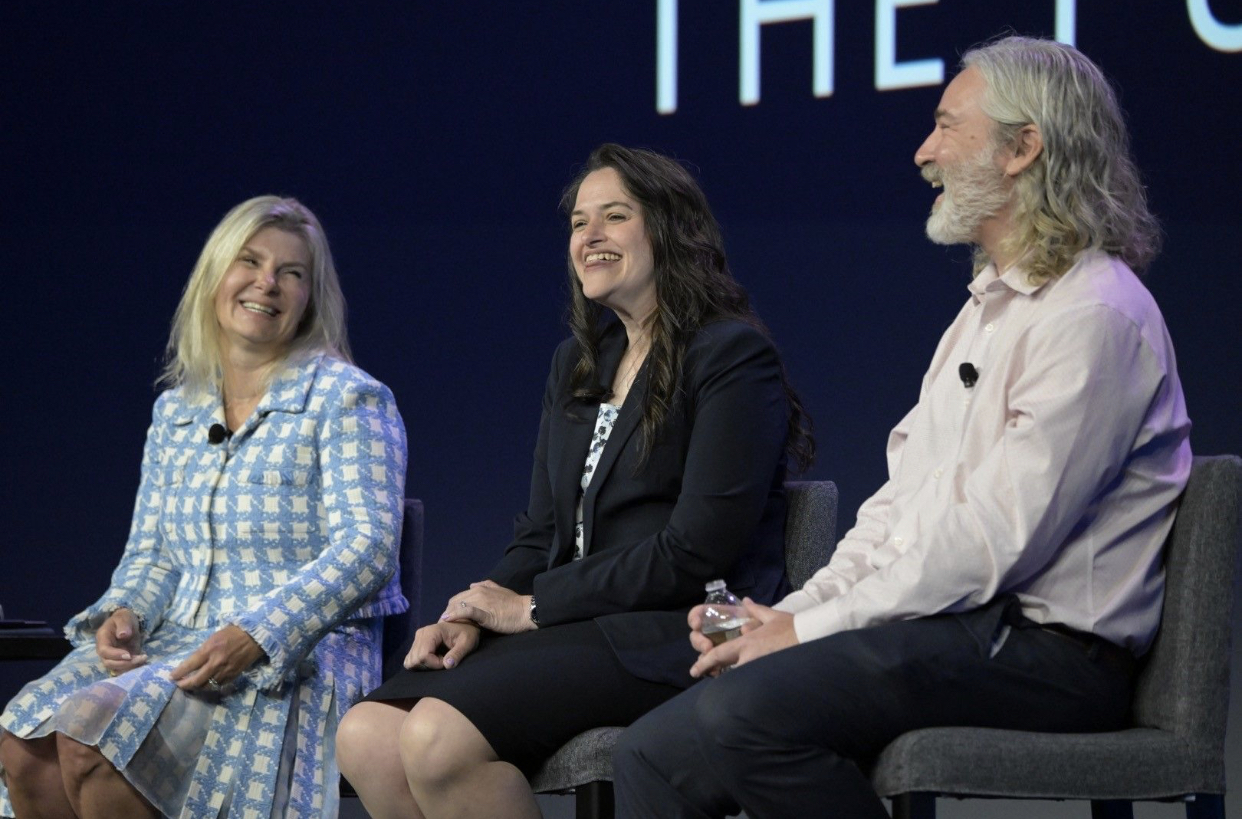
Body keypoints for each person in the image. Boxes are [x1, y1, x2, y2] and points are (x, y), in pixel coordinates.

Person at [613, 36, 1192, 819]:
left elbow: (993, 539)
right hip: (953, 627)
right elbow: (901, 508)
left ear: (1024, 148)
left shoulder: (1095, 316)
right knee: (650, 751)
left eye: (948, 126)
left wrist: (810, 628)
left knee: (741, 717)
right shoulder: (981, 314)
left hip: (1047, 654)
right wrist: (797, 614)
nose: (925, 151)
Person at [335, 143, 814, 818]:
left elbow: (696, 550)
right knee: (366, 736)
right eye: (578, 222)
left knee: (437, 736)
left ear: (669, 230)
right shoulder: (579, 364)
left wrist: (529, 609)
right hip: (580, 626)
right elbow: (542, 534)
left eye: (613, 217)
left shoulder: (731, 355)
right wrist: (477, 609)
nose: (588, 236)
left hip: (683, 629)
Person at [0, 196, 408, 818]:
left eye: (291, 273)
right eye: (250, 261)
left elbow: (368, 549)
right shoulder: (177, 410)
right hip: (175, 642)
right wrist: (127, 612)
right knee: (23, 743)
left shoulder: (350, 400)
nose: (266, 283)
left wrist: (257, 634)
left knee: (97, 737)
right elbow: (155, 553)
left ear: (310, 298)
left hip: (292, 654)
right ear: (216, 274)